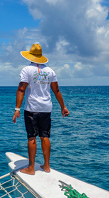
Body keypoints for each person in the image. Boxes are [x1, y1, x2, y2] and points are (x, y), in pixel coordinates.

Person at [13, 43, 69, 175]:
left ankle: (31, 168)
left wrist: (17, 109)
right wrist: (63, 107)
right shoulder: (50, 71)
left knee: (32, 137)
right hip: (46, 108)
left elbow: (21, 89)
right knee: (45, 136)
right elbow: (56, 90)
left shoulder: (26, 70)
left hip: (32, 109)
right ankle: (47, 166)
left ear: (30, 56)